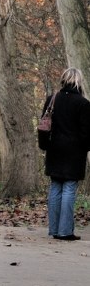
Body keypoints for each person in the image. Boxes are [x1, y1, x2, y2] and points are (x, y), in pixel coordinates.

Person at [39, 67, 90, 241]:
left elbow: (44, 126)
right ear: (78, 81)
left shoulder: (52, 99)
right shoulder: (83, 104)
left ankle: (54, 229)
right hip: (74, 152)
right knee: (68, 188)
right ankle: (65, 231)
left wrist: (44, 145)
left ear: (63, 80)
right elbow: (86, 134)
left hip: (55, 149)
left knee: (55, 187)